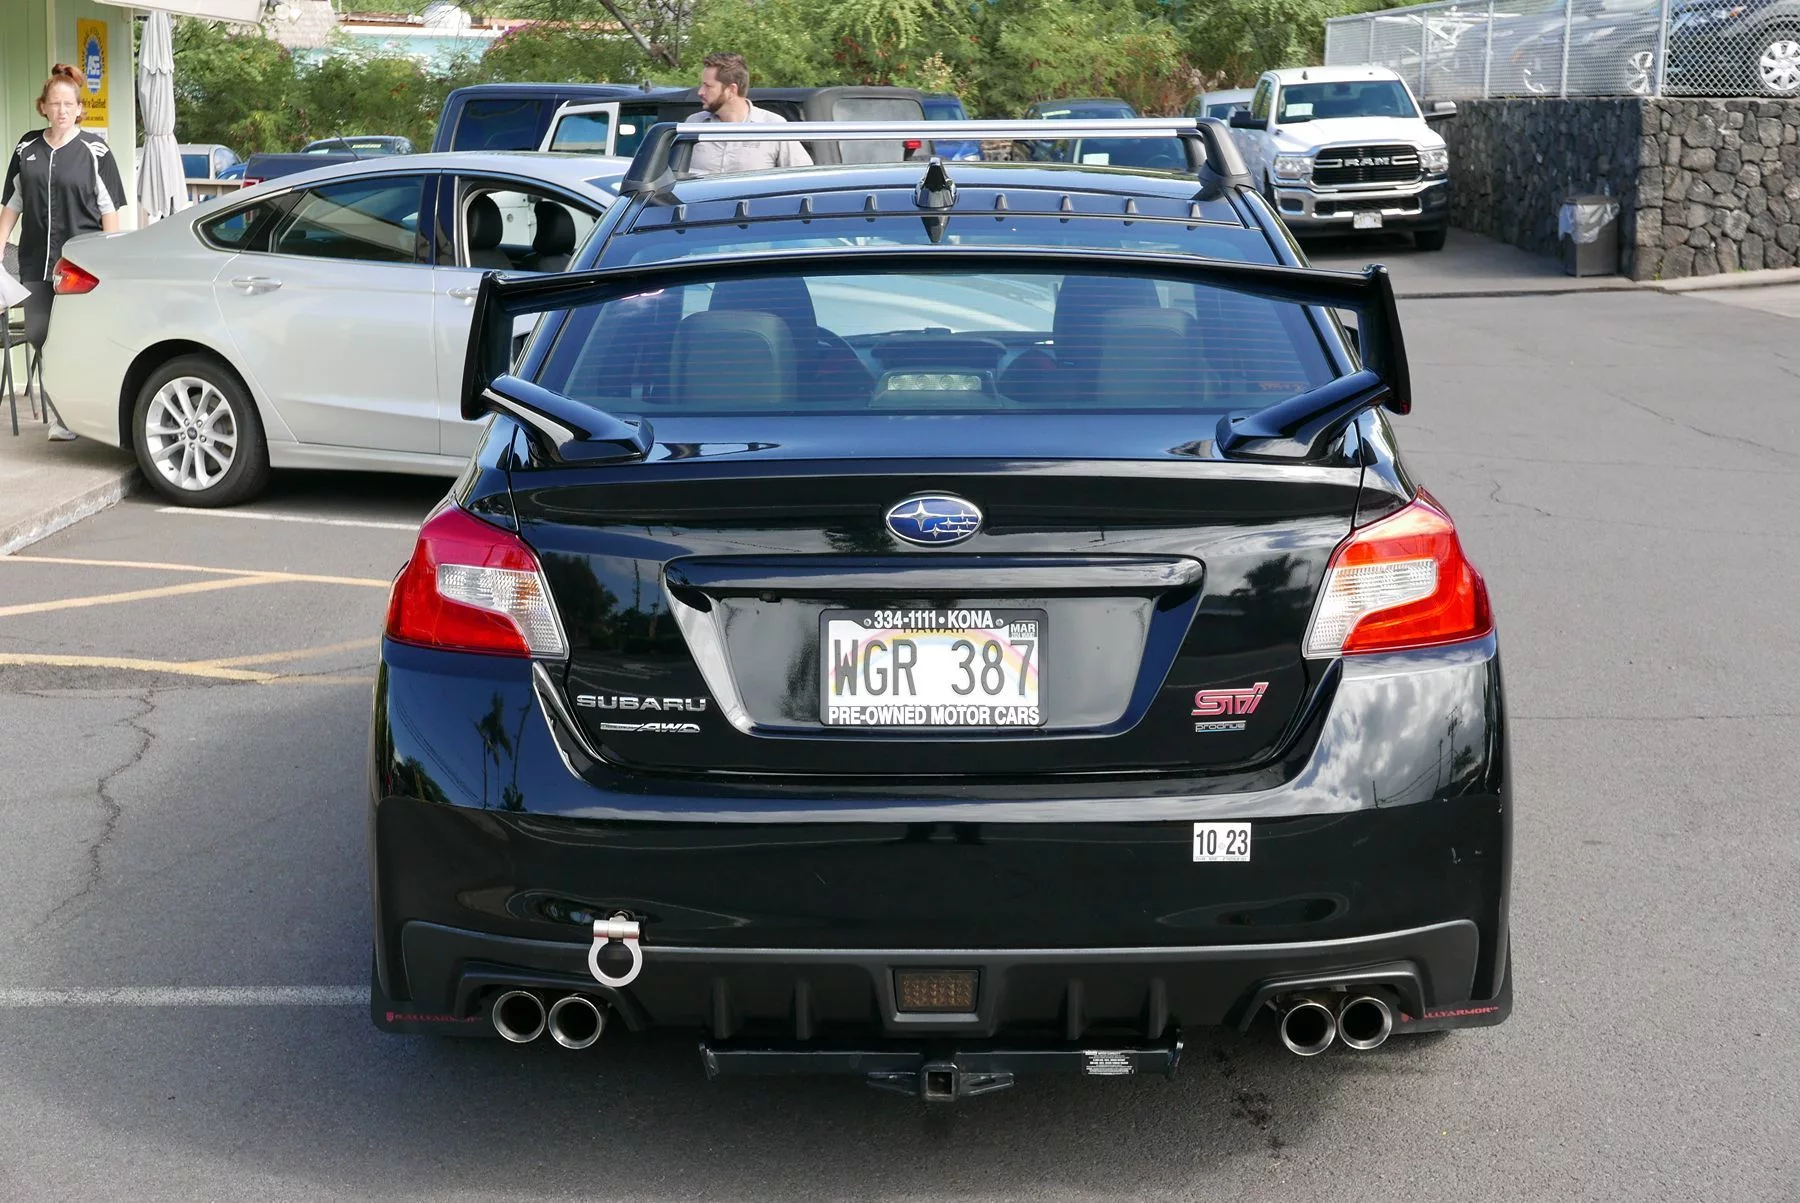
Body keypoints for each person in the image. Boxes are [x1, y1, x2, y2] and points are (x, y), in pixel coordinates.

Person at [0, 65, 128, 441]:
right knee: (40, 333)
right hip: (36, 261)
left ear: (79, 109)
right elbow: (13, 203)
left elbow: (109, 210)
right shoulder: (26, 148)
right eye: (54, 103)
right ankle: (64, 412)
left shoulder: (95, 150)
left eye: (68, 104)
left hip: (81, 266)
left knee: (78, 338)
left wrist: (109, 261)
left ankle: (72, 416)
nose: (61, 110)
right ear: (43, 106)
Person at [682, 52, 813, 177]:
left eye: (708, 86)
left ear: (731, 90)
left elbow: (804, 178)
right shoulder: (693, 124)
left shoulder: (773, 126)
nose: (700, 92)